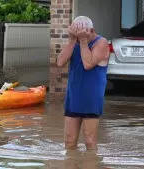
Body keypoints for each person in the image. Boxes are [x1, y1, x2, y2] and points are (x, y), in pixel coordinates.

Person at [56, 16, 110, 150]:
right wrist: (72, 40)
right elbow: (60, 62)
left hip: (91, 97)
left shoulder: (102, 43)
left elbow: (88, 64)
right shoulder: (75, 42)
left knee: (89, 141)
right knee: (69, 140)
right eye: (77, 34)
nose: (80, 38)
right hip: (74, 96)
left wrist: (83, 41)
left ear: (92, 30)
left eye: (83, 34)